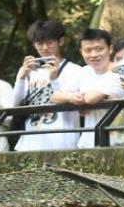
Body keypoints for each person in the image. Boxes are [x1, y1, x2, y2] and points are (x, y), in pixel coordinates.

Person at [12, 20, 83, 152]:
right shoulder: (30, 71)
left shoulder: (76, 71)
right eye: (39, 43)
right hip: (29, 142)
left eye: (49, 42)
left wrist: (54, 78)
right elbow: (14, 105)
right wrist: (21, 77)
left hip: (63, 141)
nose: (44, 48)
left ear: (60, 41)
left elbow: (63, 101)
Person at [52, 28, 124, 149]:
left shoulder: (123, 70)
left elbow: (91, 98)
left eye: (99, 49)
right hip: (88, 141)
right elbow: (55, 96)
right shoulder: (84, 71)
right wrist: (72, 97)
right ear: (81, 52)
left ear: (110, 49)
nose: (94, 55)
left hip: (119, 142)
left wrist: (81, 98)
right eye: (88, 50)